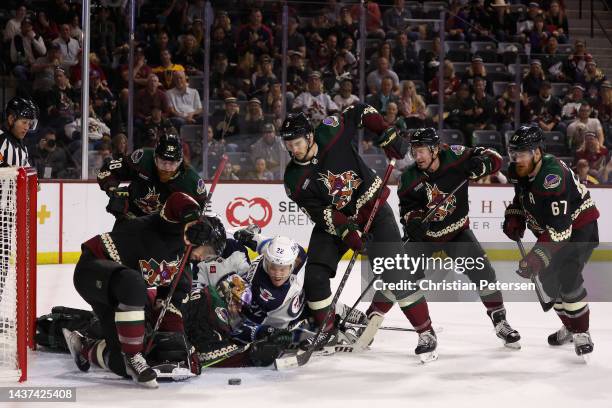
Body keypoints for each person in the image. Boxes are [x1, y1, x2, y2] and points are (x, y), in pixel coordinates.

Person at [280, 105, 436, 359]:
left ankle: (425, 332)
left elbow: (358, 111)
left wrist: (385, 133)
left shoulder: (330, 132)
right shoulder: (293, 179)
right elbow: (320, 213)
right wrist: (347, 231)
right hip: (336, 223)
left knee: (396, 273)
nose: (292, 150)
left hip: (372, 208)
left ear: (309, 136)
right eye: (288, 145)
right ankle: (327, 330)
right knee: (315, 276)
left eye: (296, 143)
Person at [62, 192, 205, 388]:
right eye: (208, 251)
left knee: (121, 367)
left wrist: (183, 347)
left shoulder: (182, 272)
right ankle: (133, 356)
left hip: (115, 291)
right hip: (92, 269)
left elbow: (167, 309)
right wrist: (192, 216)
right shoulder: (166, 227)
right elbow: (176, 201)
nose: (204, 258)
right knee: (134, 284)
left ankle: (83, 347)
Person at [398, 128, 521, 351]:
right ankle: (422, 331)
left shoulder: (455, 155)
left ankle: (500, 321)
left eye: (422, 151)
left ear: (435, 149)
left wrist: (482, 165)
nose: (418, 157)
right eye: (414, 151)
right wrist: (413, 220)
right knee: (400, 274)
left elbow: (495, 158)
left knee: (483, 272)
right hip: (425, 238)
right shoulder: (408, 177)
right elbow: (406, 209)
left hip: (456, 233)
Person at [503, 125, 600, 359]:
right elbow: (522, 196)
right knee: (548, 281)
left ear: (537, 152)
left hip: (578, 229)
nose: (516, 159)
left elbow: (561, 228)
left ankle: (582, 332)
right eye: (514, 153)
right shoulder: (522, 170)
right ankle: (570, 325)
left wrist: (536, 257)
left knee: (568, 275)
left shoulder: (552, 177)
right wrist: (515, 214)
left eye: (522, 153)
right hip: (554, 232)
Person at [97, 130, 207, 223]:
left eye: (172, 163)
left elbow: (197, 213)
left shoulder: (192, 182)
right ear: (155, 157)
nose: (167, 168)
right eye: (163, 162)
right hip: (130, 217)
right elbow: (109, 169)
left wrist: (194, 222)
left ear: (180, 162)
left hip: (164, 228)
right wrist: (112, 190)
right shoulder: (142, 158)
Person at [0, 97, 39, 167]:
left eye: (29, 124)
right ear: (11, 119)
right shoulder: (2, 141)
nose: (27, 128)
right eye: (24, 122)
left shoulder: (22, 146)